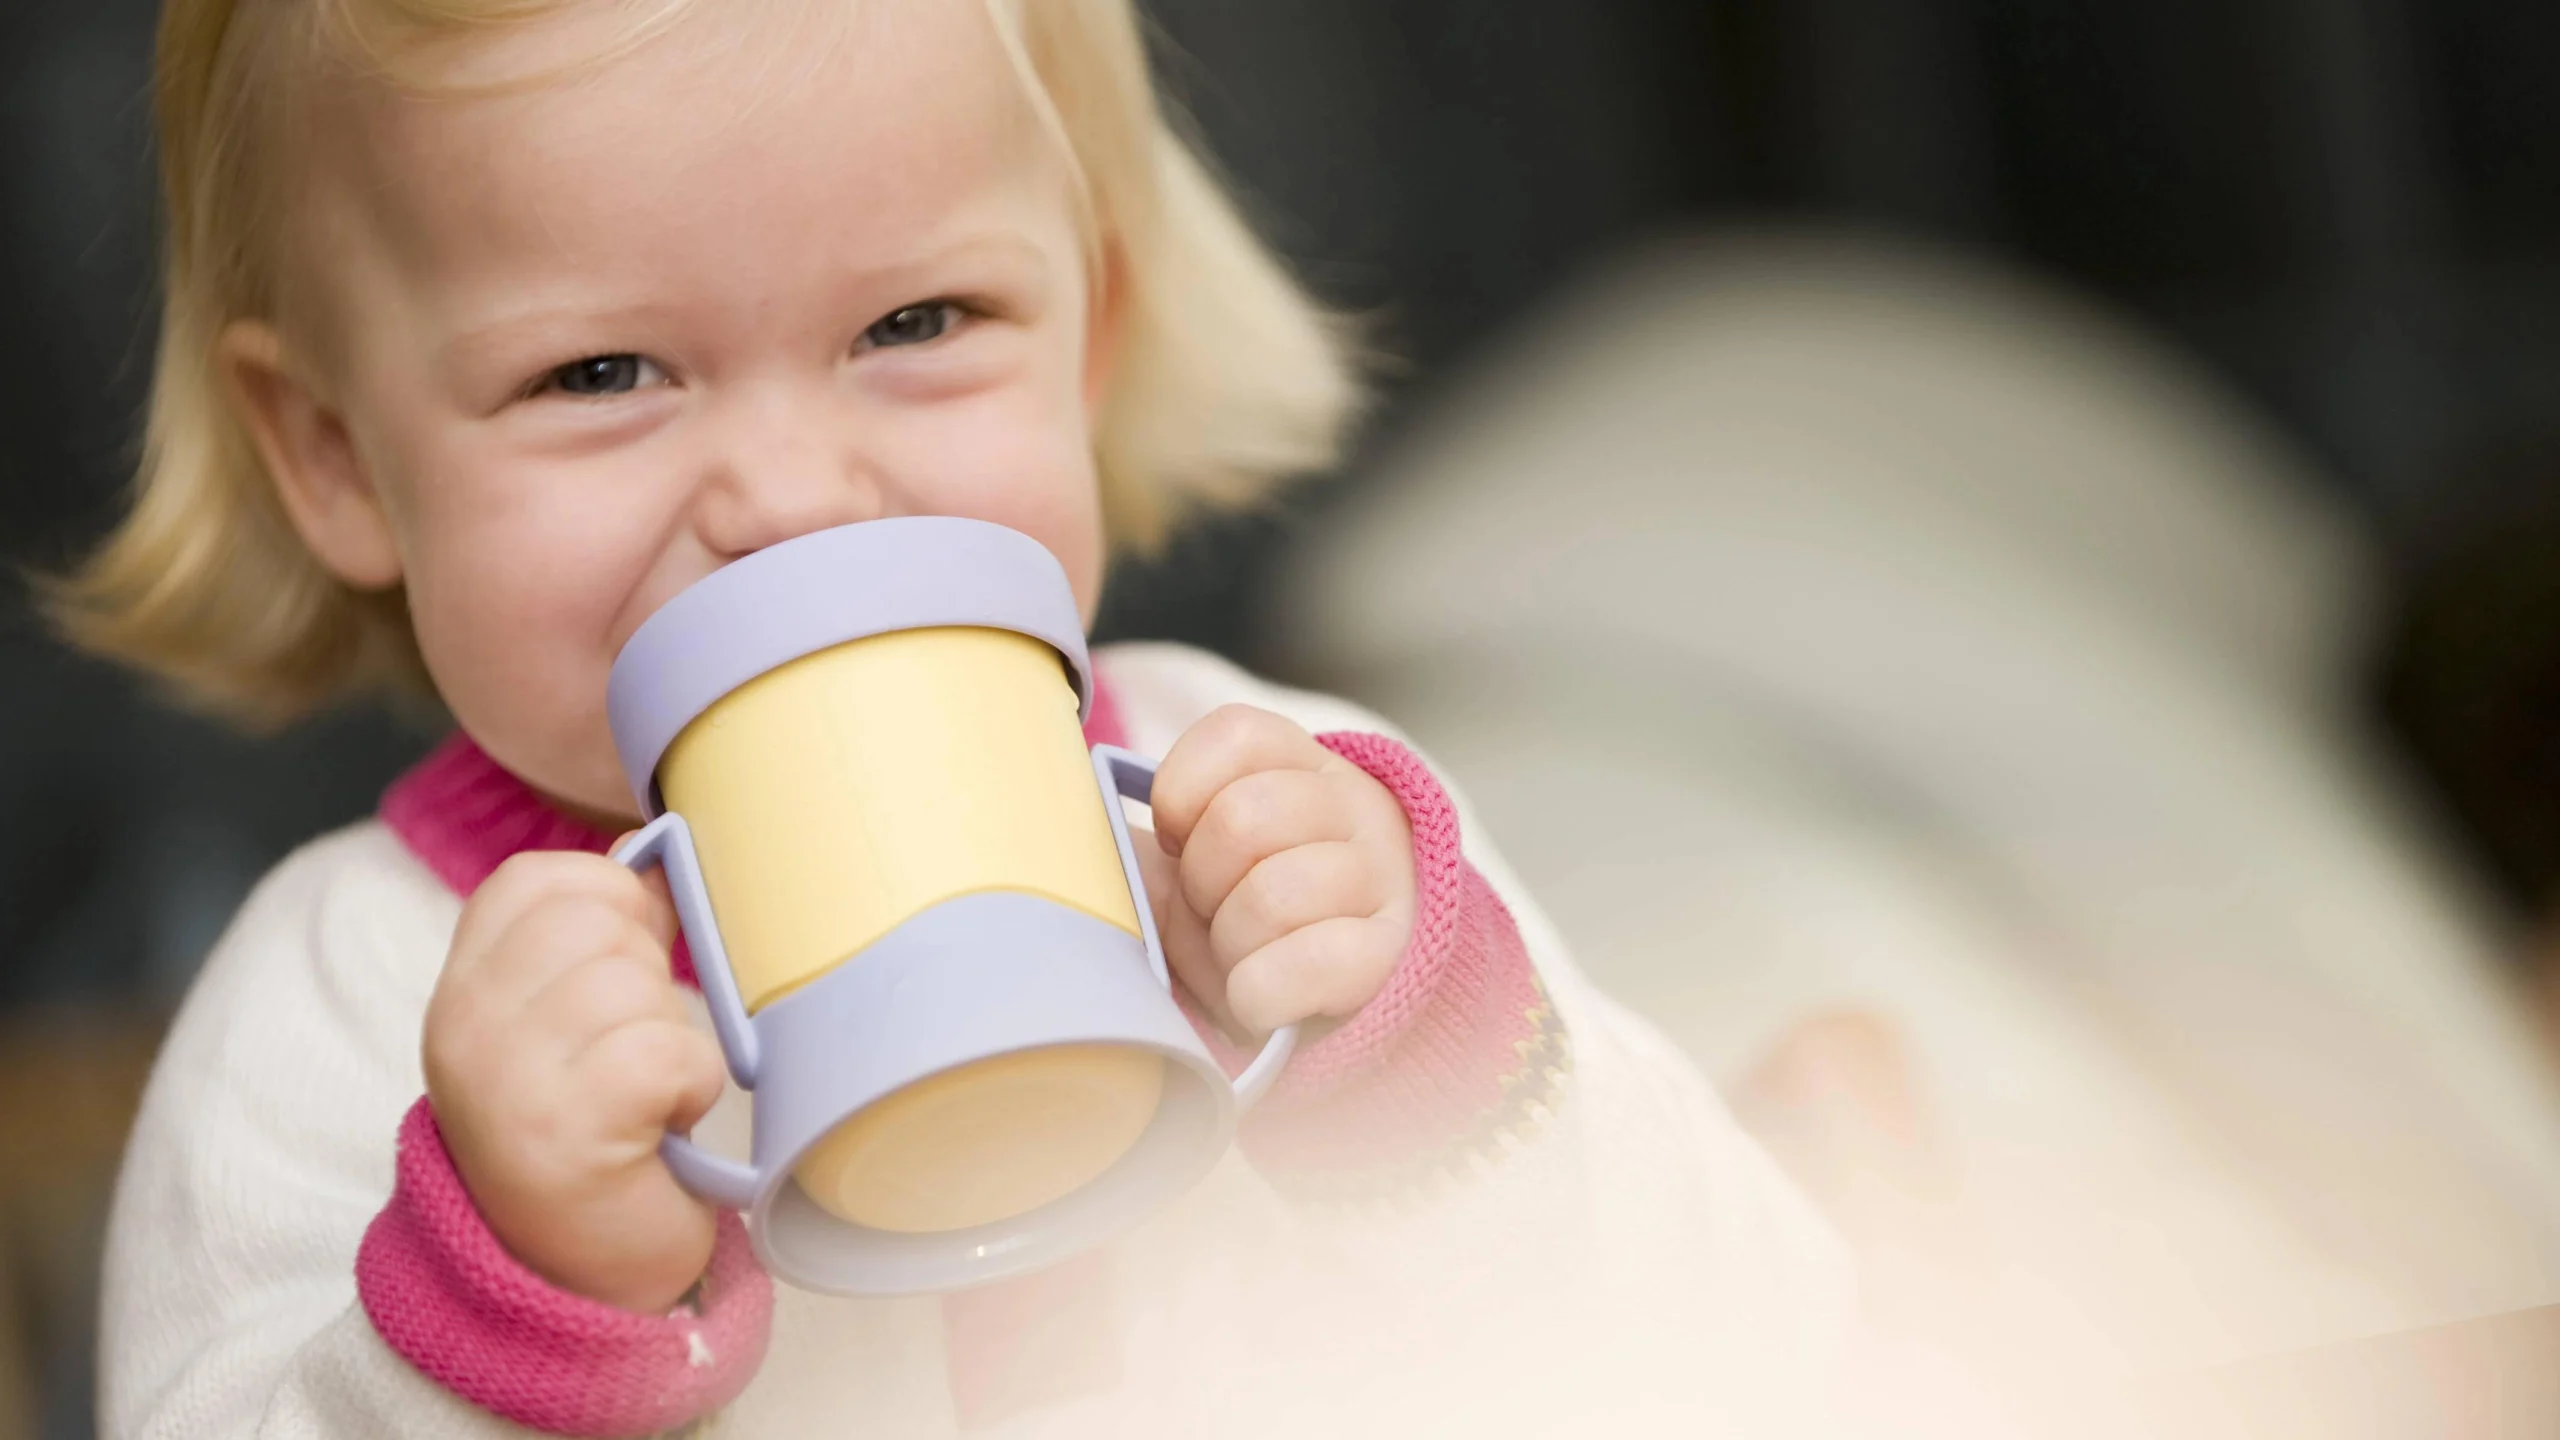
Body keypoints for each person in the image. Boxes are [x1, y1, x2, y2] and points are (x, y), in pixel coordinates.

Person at [58, 1, 1856, 1434]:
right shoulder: (346, 1000)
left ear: (1091, 334)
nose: (793, 494)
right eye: (598, 373)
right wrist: (516, 1304)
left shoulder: (1288, 822)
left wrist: (1423, 1065)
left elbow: (1771, 1355)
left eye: (918, 320)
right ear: (335, 455)